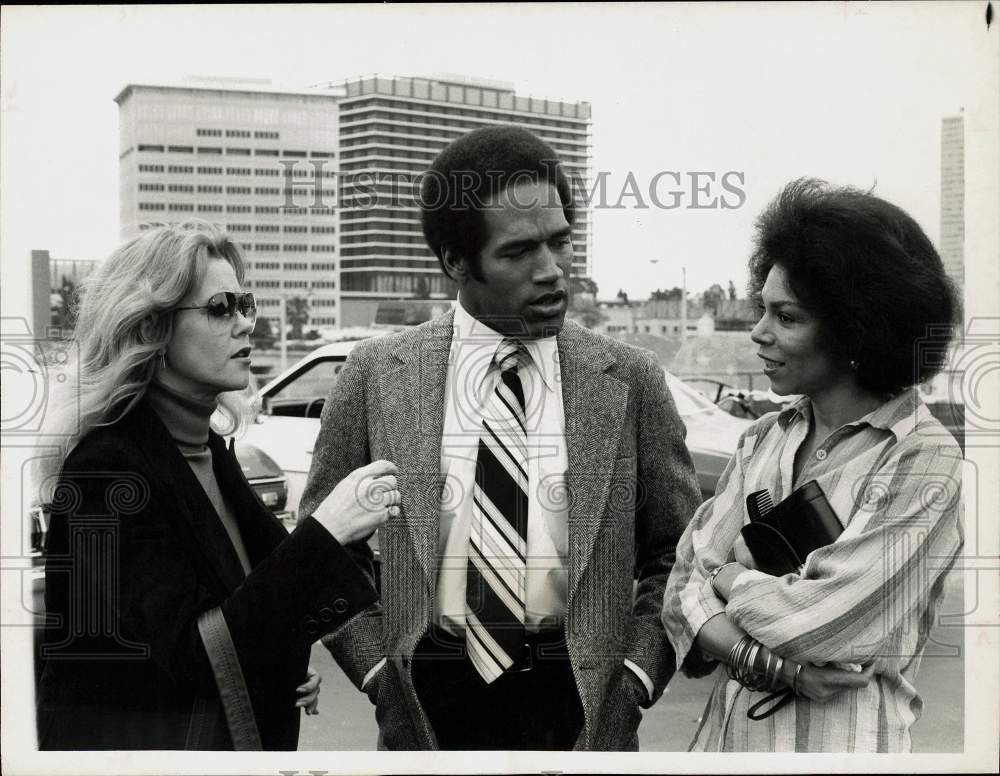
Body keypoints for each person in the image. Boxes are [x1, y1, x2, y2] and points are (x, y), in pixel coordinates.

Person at [299, 125, 702, 751]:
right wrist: (381, 673)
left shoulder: (630, 380)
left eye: (560, 243)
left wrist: (635, 679)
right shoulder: (377, 375)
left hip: (580, 716)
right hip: (429, 713)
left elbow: (678, 556)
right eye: (518, 253)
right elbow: (324, 548)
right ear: (456, 262)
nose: (551, 272)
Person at [35, 222, 400, 750]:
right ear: (150, 329)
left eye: (244, 304)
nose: (247, 324)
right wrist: (326, 528)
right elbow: (195, 655)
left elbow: (252, 605)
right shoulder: (106, 472)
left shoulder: (209, 451)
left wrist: (276, 670)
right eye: (220, 307)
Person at [660, 178, 964, 752]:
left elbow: (825, 626)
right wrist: (781, 667)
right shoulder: (760, 440)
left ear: (857, 327)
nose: (758, 331)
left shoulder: (924, 459)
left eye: (787, 317)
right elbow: (681, 590)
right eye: (762, 309)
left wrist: (726, 579)